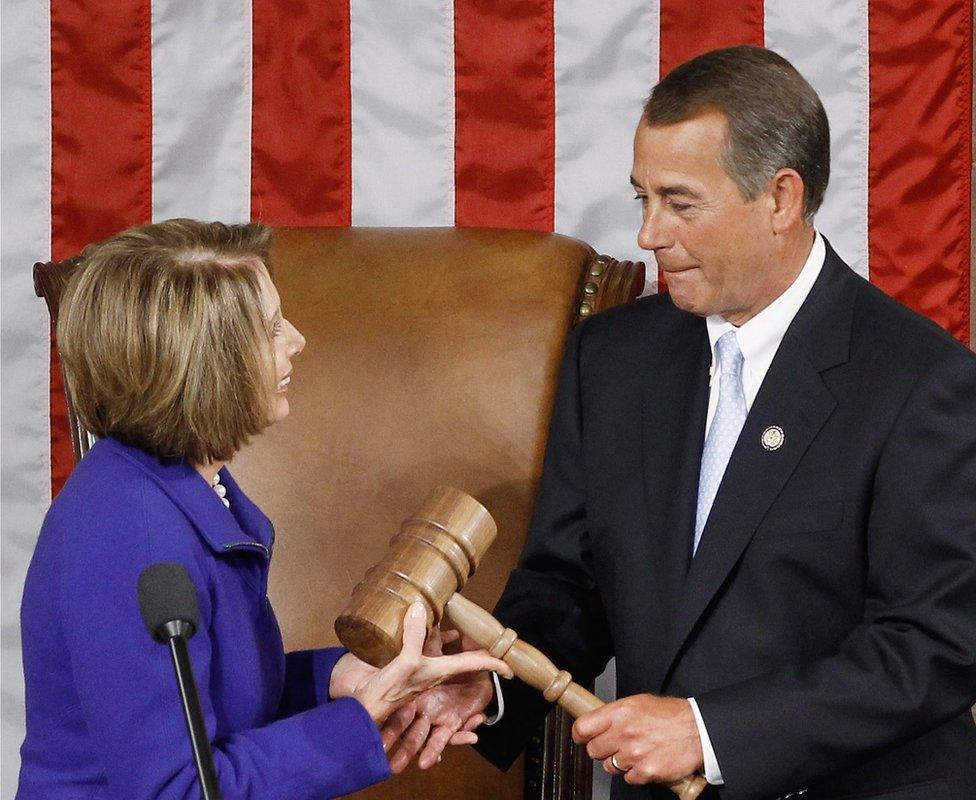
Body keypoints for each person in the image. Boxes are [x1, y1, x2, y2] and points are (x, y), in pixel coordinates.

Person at [399, 46, 976, 799]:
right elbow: (568, 586)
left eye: (680, 203)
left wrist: (710, 734)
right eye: (643, 198)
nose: (648, 235)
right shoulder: (611, 358)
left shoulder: (922, 380)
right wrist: (491, 686)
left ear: (780, 200)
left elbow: (932, 647)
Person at [16, 219, 512, 799]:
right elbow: (177, 790)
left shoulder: (181, 487)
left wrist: (344, 678)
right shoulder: (132, 538)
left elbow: (212, 698)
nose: (297, 339)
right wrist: (357, 723)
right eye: (272, 328)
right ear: (203, 361)